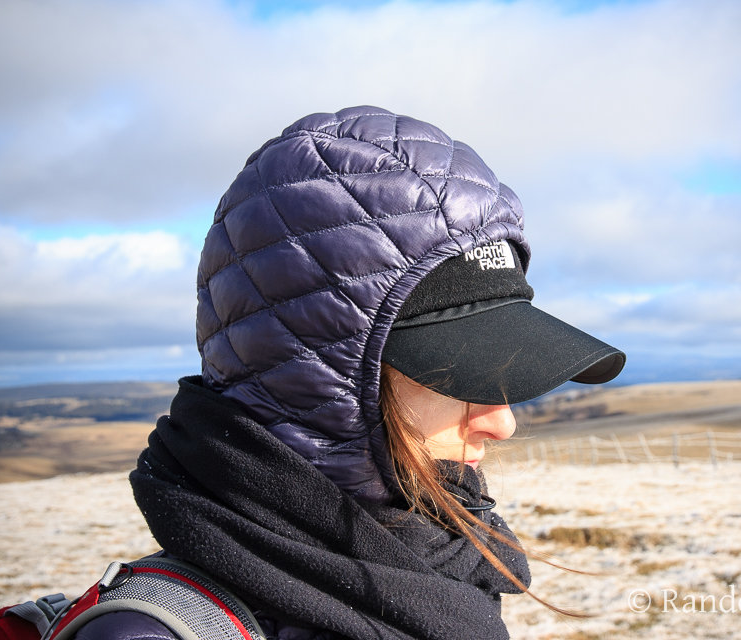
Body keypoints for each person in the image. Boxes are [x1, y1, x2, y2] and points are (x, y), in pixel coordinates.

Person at [77, 106, 626, 639]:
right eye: (451, 372)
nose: (501, 422)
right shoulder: (148, 633)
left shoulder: (434, 565)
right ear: (313, 383)